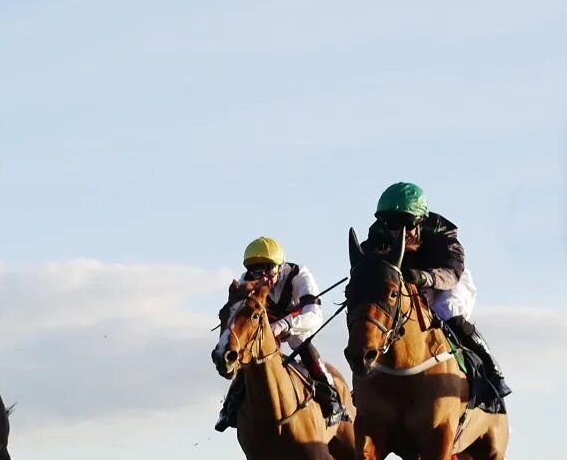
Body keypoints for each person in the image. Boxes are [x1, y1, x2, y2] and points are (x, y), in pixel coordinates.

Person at [367, 182, 510, 412]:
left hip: (447, 282)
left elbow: (451, 273)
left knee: (448, 312)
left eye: (406, 223)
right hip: (407, 286)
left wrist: (425, 277)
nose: (398, 231)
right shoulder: (378, 235)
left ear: (421, 220)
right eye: (392, 223)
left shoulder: (444, 233)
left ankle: (492, 374)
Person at [214, 237, 347, 432]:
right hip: (264, 328)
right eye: (256, 271)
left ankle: (331, 396)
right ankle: (230, 405)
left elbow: (314, 315)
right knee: (246, 353)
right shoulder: (246, 281)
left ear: (280, 266)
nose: (262, 277)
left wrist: (283, 325)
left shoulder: (298, 274)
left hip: (296, 321)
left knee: (299, 342)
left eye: (268, 269)